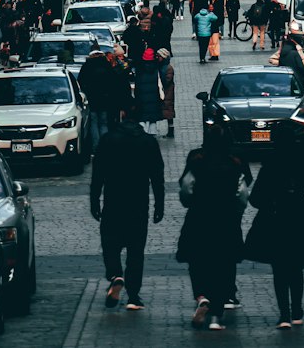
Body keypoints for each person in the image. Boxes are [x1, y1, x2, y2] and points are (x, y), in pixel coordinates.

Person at [244, 120, 304, 328]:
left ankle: (284, 314)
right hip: (298, 216)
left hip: (275, 218)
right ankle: (297, 310)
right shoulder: (299, 159)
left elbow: (255, 198)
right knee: (296, 267)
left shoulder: (270, 161)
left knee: (279, 268)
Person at [90, 109, 165, 312]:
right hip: (138, 203)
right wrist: (160, 204)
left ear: (121, 115)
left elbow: (97, 173)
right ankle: (133, 295)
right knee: (136, 250)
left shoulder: (108, 140)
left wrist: (94, 200)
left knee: (110, 243)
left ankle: (115, 275)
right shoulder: (148, 142)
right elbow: (157, 176)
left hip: (114, 201)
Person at [177, 123, 251, 329]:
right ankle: (217, 314)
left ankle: (201, 294)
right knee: (224, 263)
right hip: (225, 219)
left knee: (197, 259)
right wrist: (235, 211)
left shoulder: (196, 160)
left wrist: (190, 204)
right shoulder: (234, 163)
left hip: (199, 217)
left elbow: (186, 188)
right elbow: (242, 194)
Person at [134, 47, 164, 131]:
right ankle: (152, 134)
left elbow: (137, 86)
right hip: (154, 97)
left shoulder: (140, 69)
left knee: (142, 118)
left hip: (142, 98)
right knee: (153, 119)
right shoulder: (156, 68)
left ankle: (143, 133)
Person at [194, 0, 219, 65]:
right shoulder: (209, 16)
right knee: (205, 46)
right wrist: (211, 13)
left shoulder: (198, 15)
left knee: (200, 46)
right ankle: (203, 58)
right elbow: (216, 18)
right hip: (207, 34)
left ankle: (201, 58)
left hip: (200, 34)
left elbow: (195, 18)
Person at [158, 48, 176, 137]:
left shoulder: (168, 68)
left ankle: (171, 130)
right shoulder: (161, 67)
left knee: (168, 111)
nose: (157, 58)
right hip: (165, 92)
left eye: (159, 56)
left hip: (168, 93)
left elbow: (167, 81)